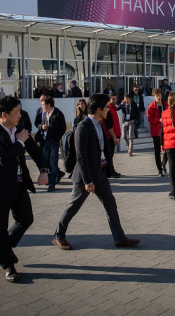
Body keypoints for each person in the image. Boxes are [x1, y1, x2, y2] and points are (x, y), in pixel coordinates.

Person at [52, 94, 140, 251]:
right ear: (99, 109)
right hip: (85, 177)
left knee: (110, 204)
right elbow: (81, 157)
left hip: (99, 173)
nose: (109, 109)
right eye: (107, 107)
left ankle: (120, 238)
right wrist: (87, 181)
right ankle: (58, 235)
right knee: (73, 206)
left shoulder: (100, 124)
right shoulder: (83, 127)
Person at [0, 96, 49, 282]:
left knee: (26, 218)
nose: (20, 115)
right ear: (4, 115)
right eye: (17, 112)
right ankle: (8, 265)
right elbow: (3, 159)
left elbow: (35, 150)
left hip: (18, 184)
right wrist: (19, 143)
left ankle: (4, 250)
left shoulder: (19, 129)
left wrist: (44, 170)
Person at [36, 96, 66, 192]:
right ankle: (50, 178)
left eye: (44, 105)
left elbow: (63, 128)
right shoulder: (45, 114)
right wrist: (42, 127)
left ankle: (52, 182)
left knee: (53, 162)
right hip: (45, 141)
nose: (42, 107)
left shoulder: (58, 114)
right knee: (46, 162)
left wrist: (55, 137)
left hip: (53, 141)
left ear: (49, 105)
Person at [147, 88, 168, 176]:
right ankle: (159, 169)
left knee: (168, 150)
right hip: (156, 131)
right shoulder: (151, 107)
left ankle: (163, 163)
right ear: (154, 96)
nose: (158, 97)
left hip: (166, 130)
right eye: (156, 96)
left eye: (159, 95)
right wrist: (158, 120)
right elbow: (150, 119)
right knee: (157, 151)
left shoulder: (166, 104)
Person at [104, 93, 121, 178]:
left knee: (110, 155)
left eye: (115, 99)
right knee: (109, 155)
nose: (115, 101)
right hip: (110, 137)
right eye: (113, 99)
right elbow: (109, 126)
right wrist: (114, 137)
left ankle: (111, 170)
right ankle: (109, 171)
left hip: (114, 136)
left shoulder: (113, 109)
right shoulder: (109, 110)